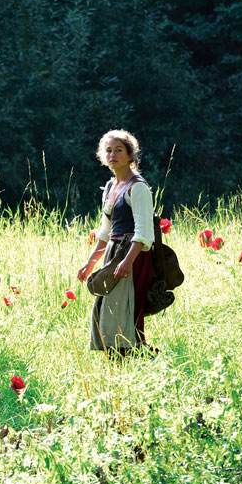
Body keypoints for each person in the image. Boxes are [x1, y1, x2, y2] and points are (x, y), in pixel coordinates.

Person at [76, 129, 157, 356]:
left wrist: (128, 262)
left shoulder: (138, 187)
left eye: (119, 150)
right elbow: (106, 231)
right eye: (109, 151)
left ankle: (134, 362)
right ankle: (119, 366)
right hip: (115, 253)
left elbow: (143, 233)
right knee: (107, 311)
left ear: (130, 155)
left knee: (124, 312)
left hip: (133, 255)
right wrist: (91, 263)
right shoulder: (111, 186)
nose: (113, 155)